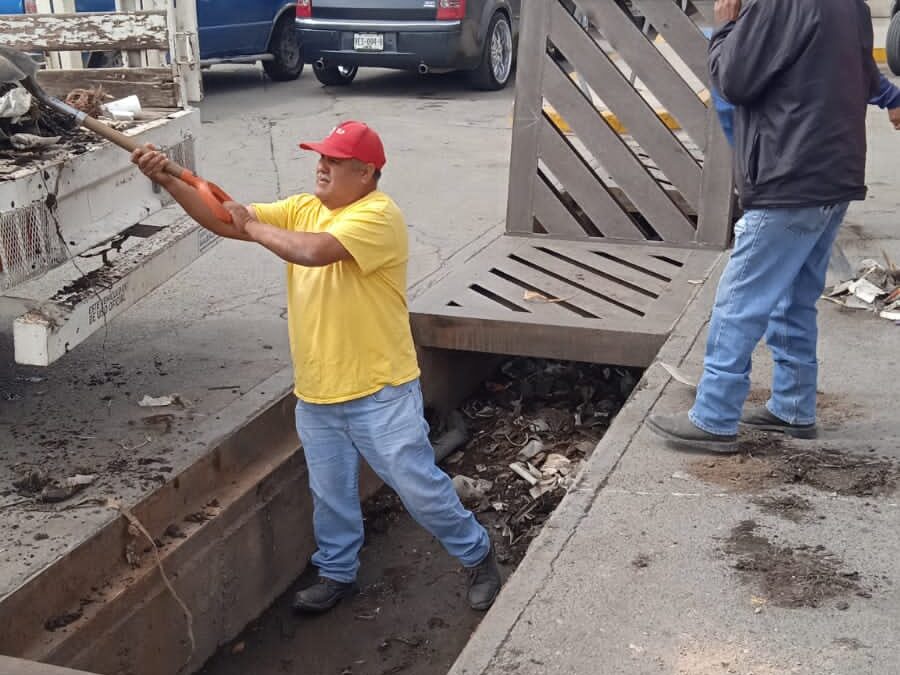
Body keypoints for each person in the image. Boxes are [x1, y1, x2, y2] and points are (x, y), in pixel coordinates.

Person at [131, 121, 501, 612]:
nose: (321, 166)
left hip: (380, 392)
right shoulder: (305, 208)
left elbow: (311, 252)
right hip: (318, 392)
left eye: (334, 160)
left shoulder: (377, 216)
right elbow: (223, 218)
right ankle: (337, 573)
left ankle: (478, 554)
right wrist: (170, 179)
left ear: (366, 172)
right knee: (330, 494)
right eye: (320, 156)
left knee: (419, 487)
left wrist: (252, 225)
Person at [647, 0, 882, 453]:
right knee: (794, 298)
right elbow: (866, 77)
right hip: (834, 175)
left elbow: (734, 80)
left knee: (740, 300)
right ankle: (793, 407)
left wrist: (726, 26)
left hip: (788, 174)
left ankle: (714, 415)